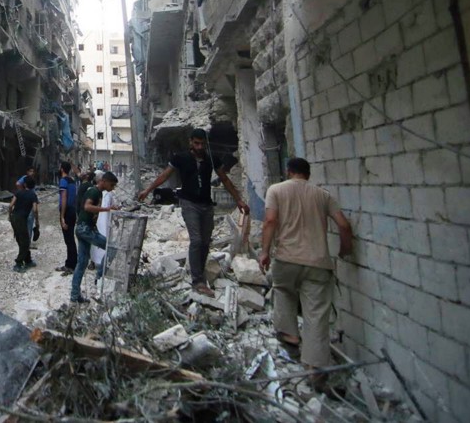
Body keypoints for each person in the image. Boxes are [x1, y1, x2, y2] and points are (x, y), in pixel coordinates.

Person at [258, 158, 353, 392]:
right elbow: (343, 225)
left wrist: (264, 251)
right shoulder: (323, 195)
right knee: (317, 313)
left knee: (283, 291)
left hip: (286, 258)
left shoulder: (276, 190)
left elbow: (270, 220)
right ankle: (316, 367)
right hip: (318, 262)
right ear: (308, 175)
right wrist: (345, 248)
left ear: (288, 171)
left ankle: (290, 336)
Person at [137, 128, 249, 295]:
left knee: (205, 241)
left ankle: (200, 272)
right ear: (191, 142)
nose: (199, 147)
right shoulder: (180, 158)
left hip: (206, 204)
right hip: (189, 203)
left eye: (202, 144)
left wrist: (238, 199)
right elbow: (164, 176)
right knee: (196, 240)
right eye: (196, 143)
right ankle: (197, 280)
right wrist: (148, 190)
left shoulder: (211, 159)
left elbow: (224, 179)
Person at [71, 172, 120, 303]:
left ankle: (74, 296)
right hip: (84, 229)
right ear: (103, 181)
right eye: (112, 184)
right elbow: (87, 207)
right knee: (112, 247)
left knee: (81, 263)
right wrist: (107, 209)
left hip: (84, 229)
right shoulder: (94, 192)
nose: (113, 187)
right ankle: (98, 278)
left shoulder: (96, 192)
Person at [8, 176, 39, 272]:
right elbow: (34, 209)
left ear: (25, 184)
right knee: (25, 242)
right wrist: (37, 222)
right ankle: (18, 262)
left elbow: (10, 205)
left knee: (20, 239)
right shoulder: (33, 195)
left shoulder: (18, 192)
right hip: (22, 219)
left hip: (14, 217)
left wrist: (10, 216)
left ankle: (28, 260)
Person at [57, 161, 78, 275]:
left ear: (61, 169)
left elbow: (64, 198)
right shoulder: (73, 181)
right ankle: (69, 263)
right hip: (72, 211)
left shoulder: (63, 181)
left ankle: (71, 265)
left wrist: (62, 217)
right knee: (70, 239)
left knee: (69, 239)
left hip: (67, 211)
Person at [16, 166, 38, 240]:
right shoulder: (25, 178)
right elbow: (17, 184)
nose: (32, 173)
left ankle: (26, 240)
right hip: (27, 201)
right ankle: (26, 241)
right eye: (30, 171)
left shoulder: (32, 179)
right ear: (27, 172)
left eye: (33, 171)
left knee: (29, 221)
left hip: (31, 200)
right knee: (28, 220)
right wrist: (22, 191)